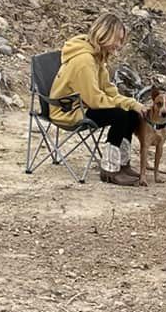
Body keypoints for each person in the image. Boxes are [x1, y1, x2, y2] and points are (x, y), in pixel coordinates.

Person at [49, 13, 147, 186]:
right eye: (117, 40)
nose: (119, 45)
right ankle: (109, 169)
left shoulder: (97, 57)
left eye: (121, 40)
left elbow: (108, 90)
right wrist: (124, 105)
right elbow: (95, 100)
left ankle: (122, 164)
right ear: (105, 35)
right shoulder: (84, 61)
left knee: (131, 113)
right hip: (69, 111)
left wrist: (132, 104)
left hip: (82, 104)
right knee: (120, 115)